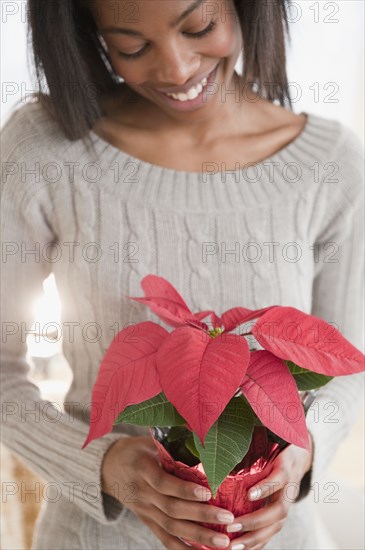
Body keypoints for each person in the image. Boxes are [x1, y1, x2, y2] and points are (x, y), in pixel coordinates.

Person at [1, 0, 363, 549]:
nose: (175, 69)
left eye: (200, 27)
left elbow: (348, 363)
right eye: (131, 47)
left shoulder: (328, 165)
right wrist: (106, 465)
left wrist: (303, 452)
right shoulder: (45, 151)